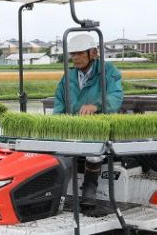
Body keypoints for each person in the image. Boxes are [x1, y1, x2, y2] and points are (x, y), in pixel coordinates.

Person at [52, 30, 123, 197]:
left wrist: (96, 106)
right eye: (72, 54)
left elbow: (116, 96)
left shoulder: (108, 71)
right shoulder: (68, 76)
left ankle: (90, 189)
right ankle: (58, 192)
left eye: (79, 53)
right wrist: (56, 124)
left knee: (94, 151)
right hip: (74, 127)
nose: (75, 57)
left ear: (93, 53)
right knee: (57, 150)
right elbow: (59, 102)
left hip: (99, 127)